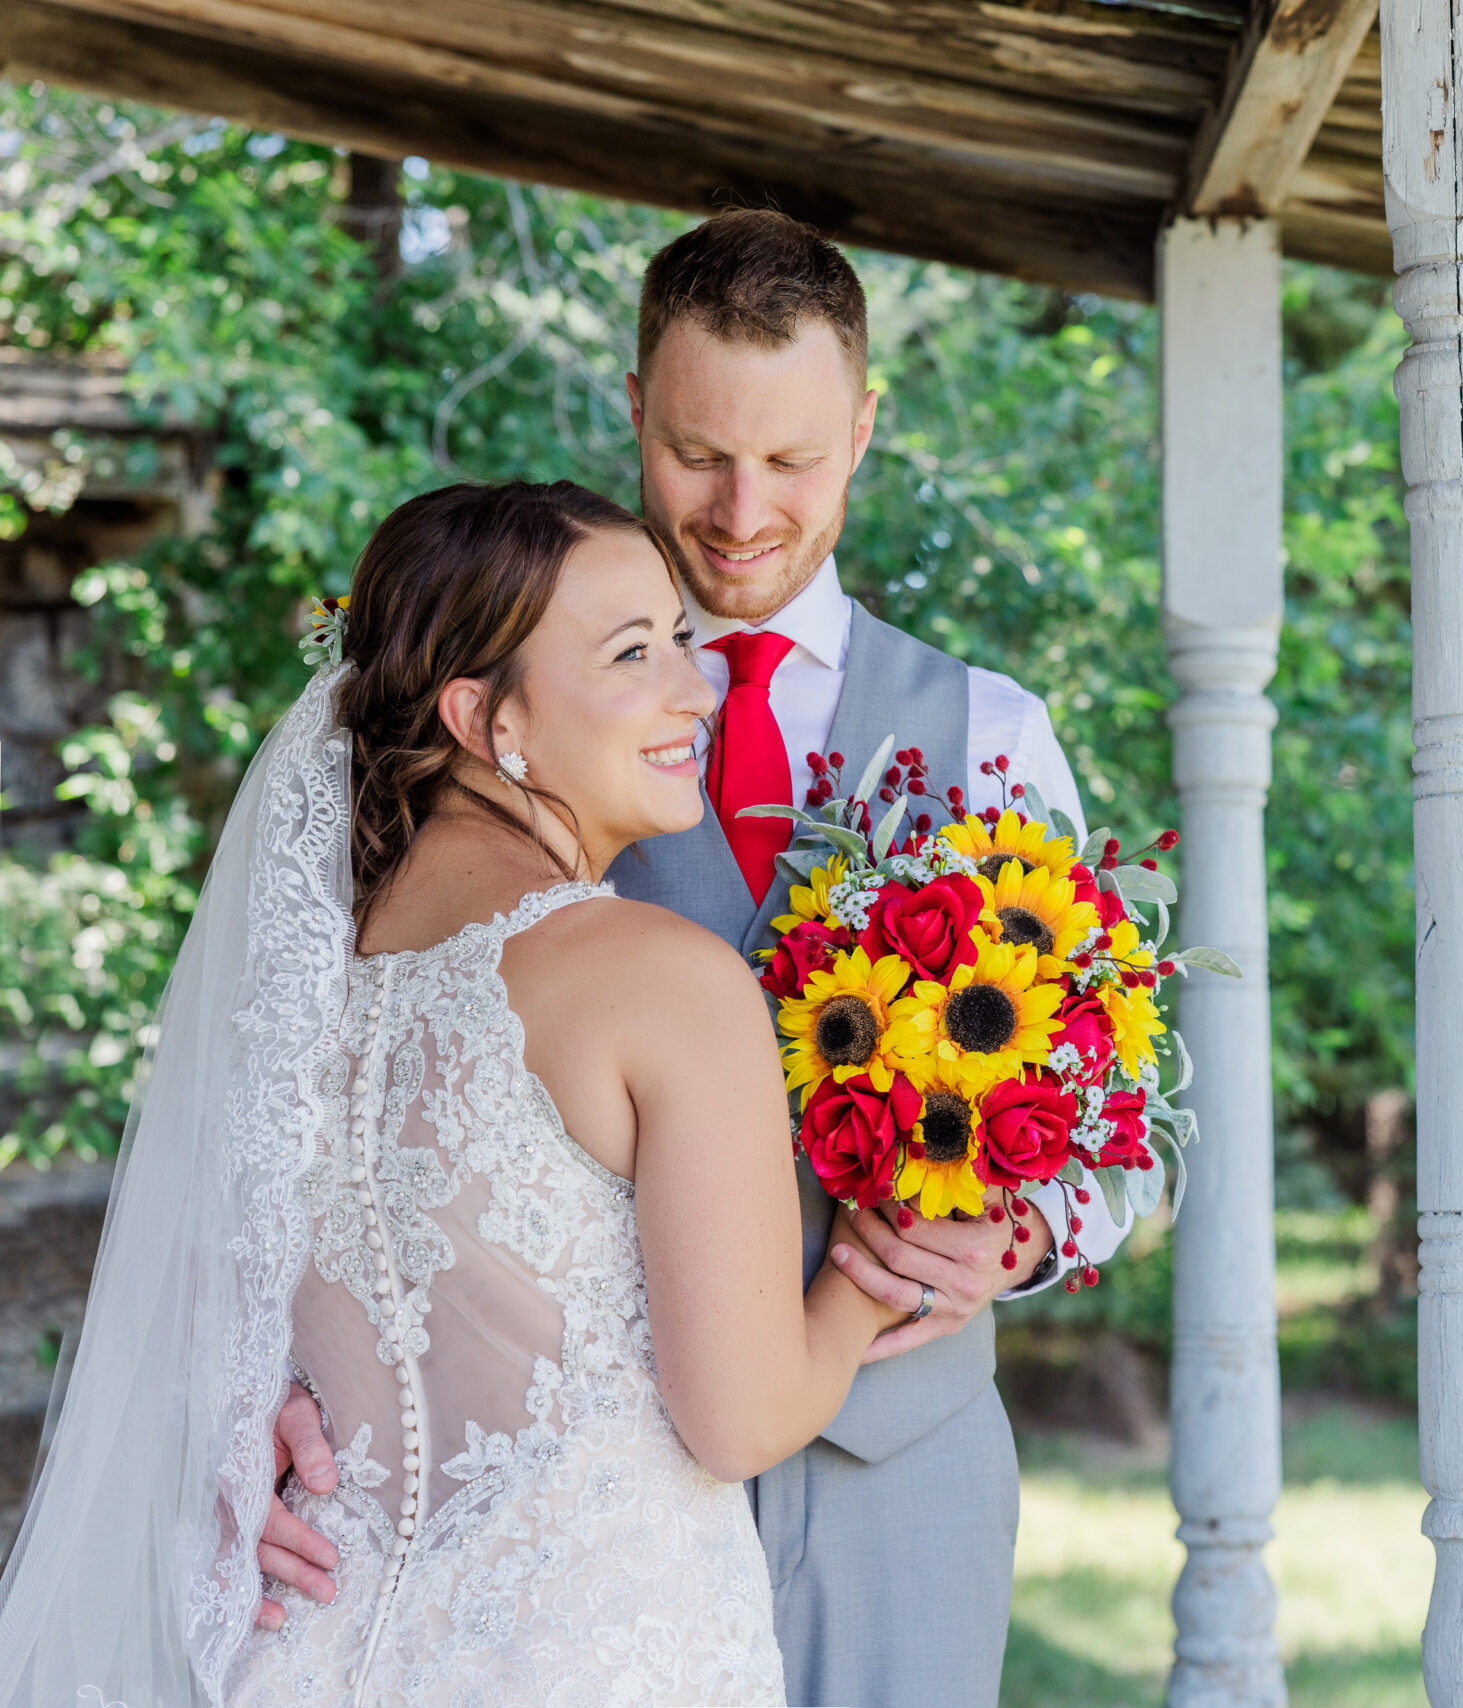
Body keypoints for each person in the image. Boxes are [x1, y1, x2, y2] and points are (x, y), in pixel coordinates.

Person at [260, 210, 1134, 1707]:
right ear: (634, 413)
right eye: (696, 453)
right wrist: (297, 1396)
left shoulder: (994, 736)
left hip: (892, 1469)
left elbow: (1137, 1117)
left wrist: (1038, 1231)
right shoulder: (485, 712)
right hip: (569, 1505)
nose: (739, 511)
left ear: (864, 426)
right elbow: (335, 1101)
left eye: (792, 461)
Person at [0, 479, 912, 1705]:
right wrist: (872, 1271)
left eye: (680, 642)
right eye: (632, 653)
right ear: (483, 715)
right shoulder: (661, 981)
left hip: (308, 1653)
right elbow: (742, 1421)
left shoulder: (293, 982)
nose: (696, 691)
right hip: (596, 1659)